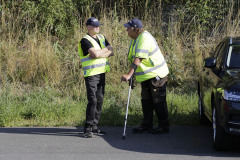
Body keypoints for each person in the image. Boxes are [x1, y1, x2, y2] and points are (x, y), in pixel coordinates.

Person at [121, 18, 169, 134]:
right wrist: (132, 76)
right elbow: (133, 59)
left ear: (134, 29)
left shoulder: (145, 38)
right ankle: (147, 125)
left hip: (157, 75)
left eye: (128, 28)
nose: (126, 30)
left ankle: (163, 126)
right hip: (146, 76)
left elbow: (138, 59)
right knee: (146, 101)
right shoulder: (135, 38)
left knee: (158, 101)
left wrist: (128, 75)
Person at [78, 17, 114, 138]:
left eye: (98, 25)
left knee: (99, 100)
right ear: (88, 27)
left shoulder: (102, 37)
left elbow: (111, 51)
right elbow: (94, 54)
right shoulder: (85, 40)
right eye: (95, 26)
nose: (97, 27)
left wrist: (101, 52)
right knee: (92, 101)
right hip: (91, 75)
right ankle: (87, 128)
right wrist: (104, 51)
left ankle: (94, 126)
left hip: (102, 73)